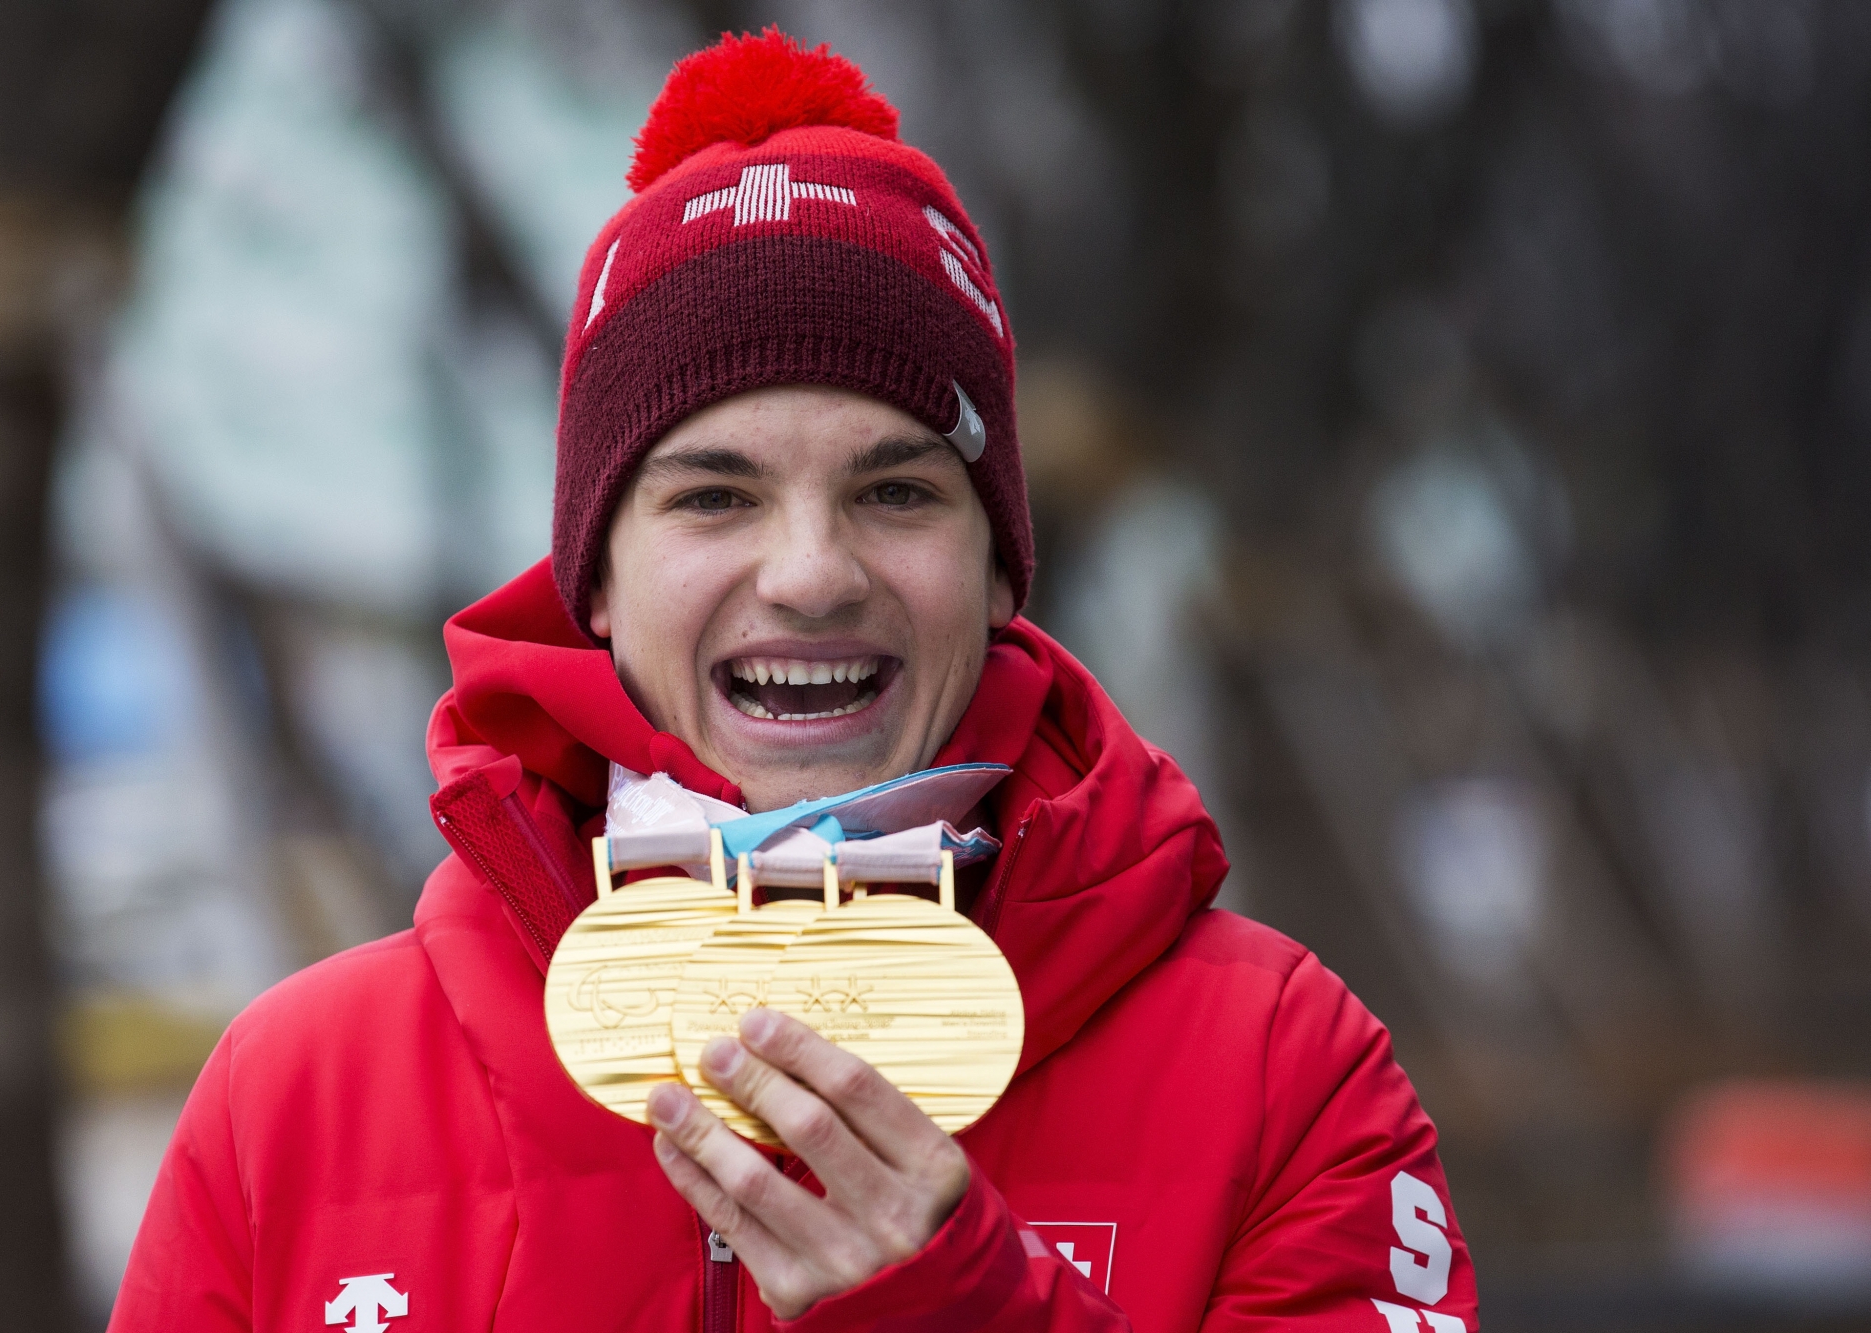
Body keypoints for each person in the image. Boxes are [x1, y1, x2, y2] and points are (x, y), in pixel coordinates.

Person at [110, 30, 1479, 1333]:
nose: (812, 572)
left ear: (1003, 564)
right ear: (595, 578)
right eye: (714, 496)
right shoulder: (290, 1101)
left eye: (894, 490)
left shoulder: (1285, 1072)